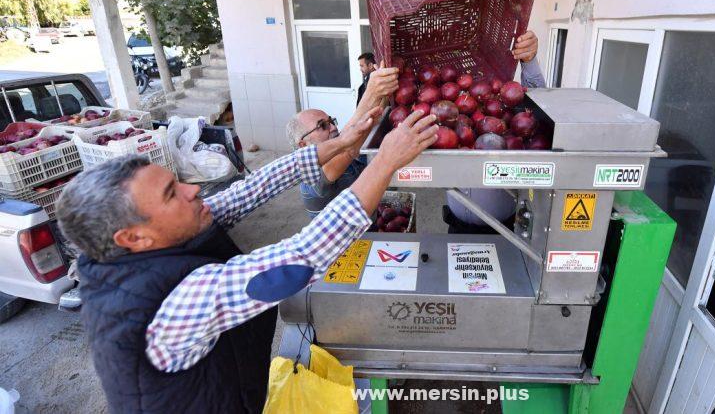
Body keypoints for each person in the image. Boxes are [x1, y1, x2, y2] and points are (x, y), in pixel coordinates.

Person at [56, 108, 438, 414]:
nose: (193, 190)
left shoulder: (144, 245)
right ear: (134, 236)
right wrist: (384, 162)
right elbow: (300, 257)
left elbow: (254, 187)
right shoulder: (172, 303)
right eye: (172, 193)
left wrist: (343, 142)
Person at [444, 29, 546, 233]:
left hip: (505, 230)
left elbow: (539, 103)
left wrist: (529, 61)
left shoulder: (505, 106)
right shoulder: (453, 109)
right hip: (456, 225)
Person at [288, 64, 399, 219]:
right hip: (343, 242)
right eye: (322, 126)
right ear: (303, 144)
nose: (333, 127)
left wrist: (383, 92)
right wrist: (372, 93)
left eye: (331, 121)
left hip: (367, 227)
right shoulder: (309, 177)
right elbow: (348, 145)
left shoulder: (341, 150)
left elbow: (370, 122)